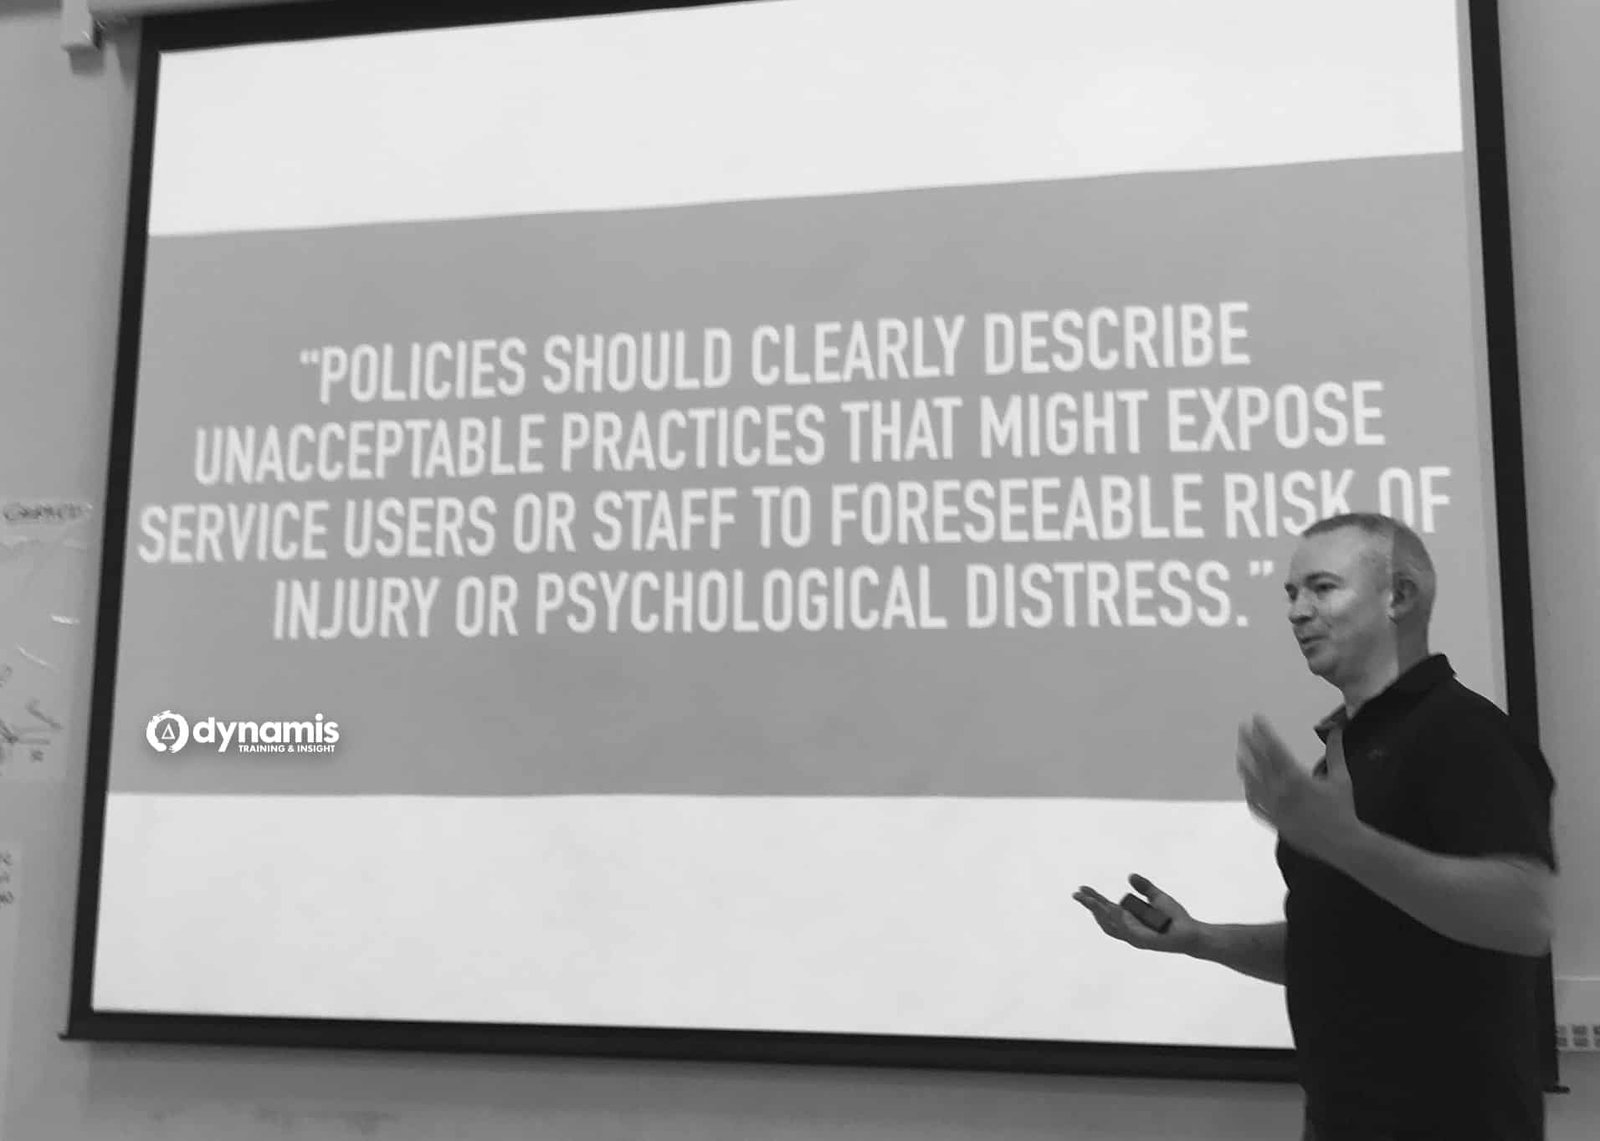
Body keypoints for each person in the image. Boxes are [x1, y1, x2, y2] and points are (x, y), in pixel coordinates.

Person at [1073, 512, 1558, 1140]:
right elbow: (1343, 940)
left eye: (1323, 588)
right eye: (1291, 593)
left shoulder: (1464, 732)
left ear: (1399, 597)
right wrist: (1202, 939)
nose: (1297, 611)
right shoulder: (1345, 752)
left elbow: (1527, 916)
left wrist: (1345, 842)